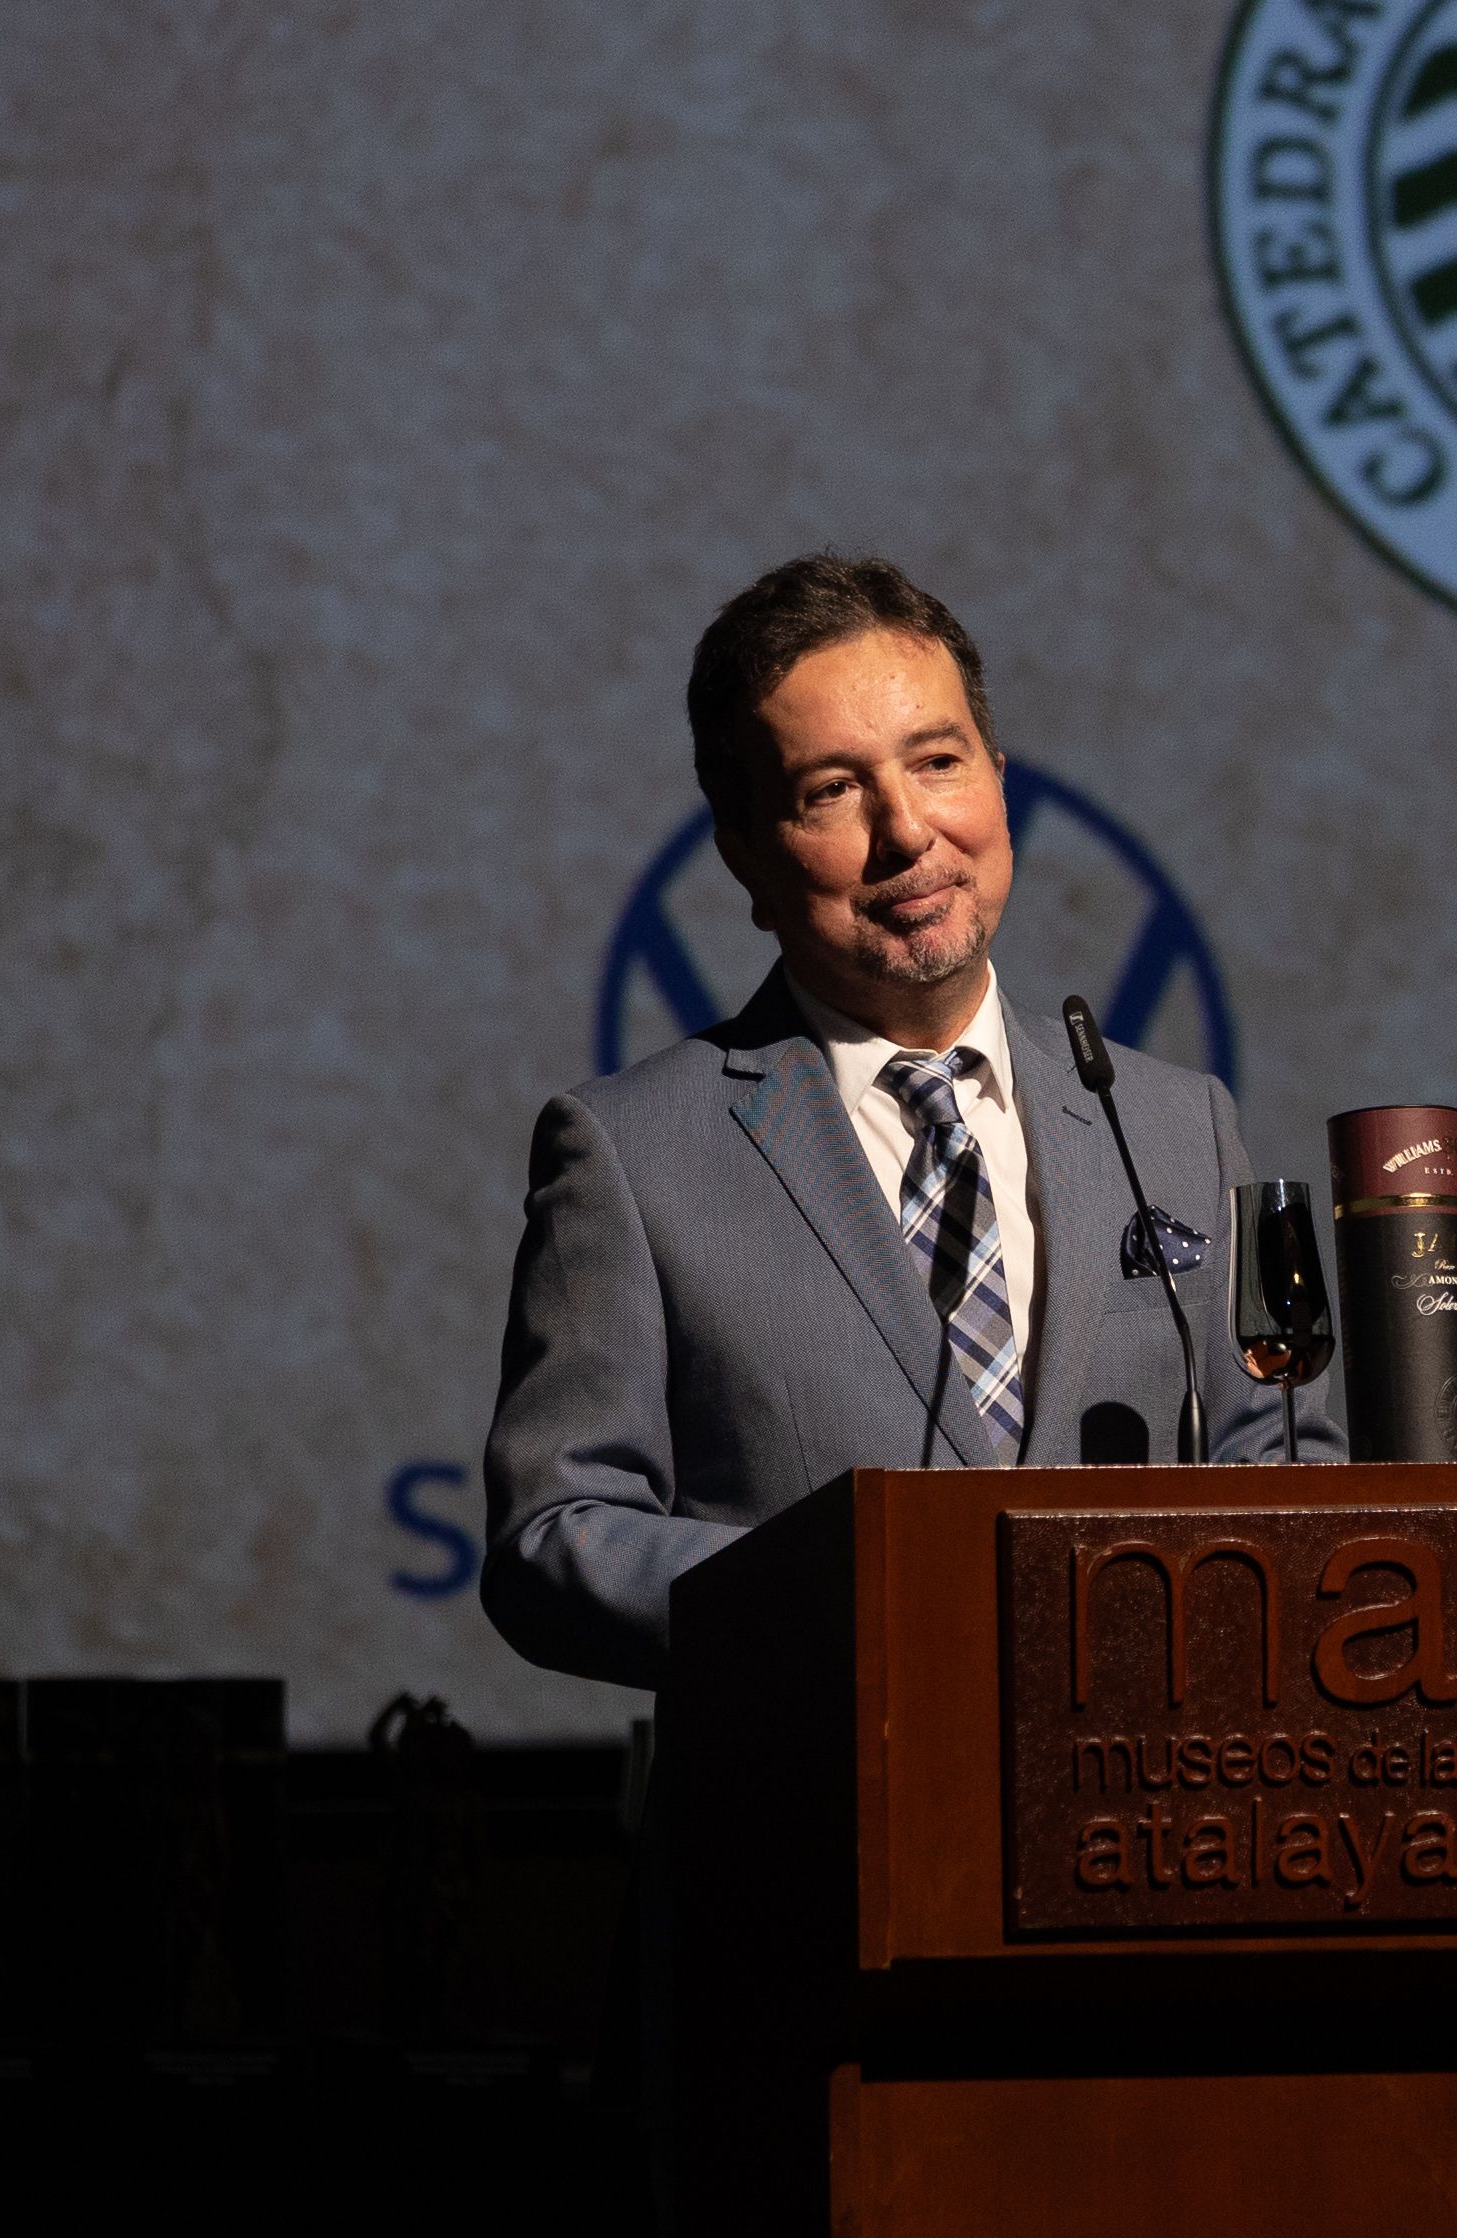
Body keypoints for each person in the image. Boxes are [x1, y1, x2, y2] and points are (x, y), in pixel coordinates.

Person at [480, 553, 1334, 1693]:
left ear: (998, 782)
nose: (907, 832)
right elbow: (557, 1533)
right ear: (745, 855)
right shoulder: (631, 1154)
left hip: (1143, 1823)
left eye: (938, 762)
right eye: (831, 790)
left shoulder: (1176, 1123)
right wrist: (863, 1604)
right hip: (816, 1836)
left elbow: (1281, 1462)